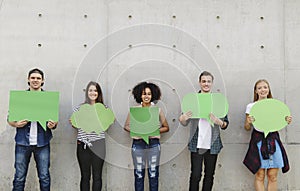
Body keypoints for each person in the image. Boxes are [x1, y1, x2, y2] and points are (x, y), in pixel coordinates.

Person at [8, 68, 58, 191]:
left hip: (42, 143)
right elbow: (9, 118)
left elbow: (54, 122)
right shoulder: (20, 98)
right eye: (33, 78)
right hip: (22, 143)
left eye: (38, 78)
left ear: (43, 81)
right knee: (19, 177)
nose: (35, 80)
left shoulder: (49, 99)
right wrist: (15, 124)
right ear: (28, 80)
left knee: (44, 177)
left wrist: (53, 125)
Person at [179, 71, 229, 191]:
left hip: (213, 143)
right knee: (195, 175)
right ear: (199, 83)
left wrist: (219, 122)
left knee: (209, 175)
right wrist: (183, 118)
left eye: (208, 81)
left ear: (212, 83)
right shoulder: (192, 100)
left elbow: (226, 124)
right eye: (203, 81)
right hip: (196, 143)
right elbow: (184, 121)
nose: (206, 84)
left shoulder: (218, 100)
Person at [243, 79, 292, 191]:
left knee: (273, 176)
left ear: (268, 89)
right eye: (259, 88)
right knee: (260, 175)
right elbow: (247, 127)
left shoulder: (275, 105)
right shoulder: (251, 106)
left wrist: (287, 120)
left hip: (273, 140)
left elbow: (281, 121)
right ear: (255, 91)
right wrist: (248, 121)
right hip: (258, 141)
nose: (262, 90)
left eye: (265, 87)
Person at [124, 82, 169, 191]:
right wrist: (137, 131)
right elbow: (126, 126)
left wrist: (154, 131)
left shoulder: (157, 110)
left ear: (153, 95)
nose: (146, 96)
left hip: (153, 144)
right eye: (144, 94)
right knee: (139, 174)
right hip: (138, 144)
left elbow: (166, 127)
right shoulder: (135, 110)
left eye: (149, 94)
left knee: (153, 174)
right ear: (140, 95)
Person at [70, 81, 107, 191]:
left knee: (97, 177)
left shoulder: (104, 109)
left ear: (98, 93)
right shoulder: (79, 108)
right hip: (83, 145)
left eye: (95, 90)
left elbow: (105, 125)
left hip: (99, 144)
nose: (93, 93)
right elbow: (74, 123)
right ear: (87, 92)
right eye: (90, 90)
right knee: (85, 176)